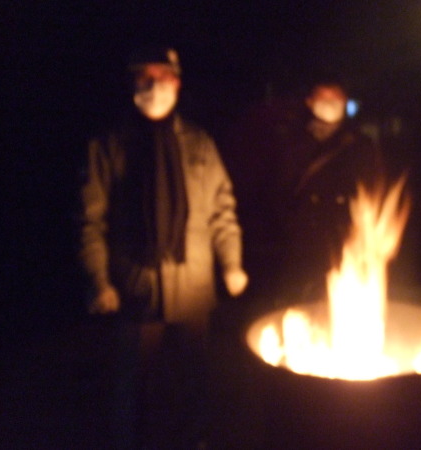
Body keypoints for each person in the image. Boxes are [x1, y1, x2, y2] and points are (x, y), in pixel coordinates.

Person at [79, 46, 248, 448]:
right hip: (135, 283)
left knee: (193, 377)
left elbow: (221, 210)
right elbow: (90, 220)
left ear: (178, 83)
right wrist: (99, 280)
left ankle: (194, 441)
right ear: (132, 85)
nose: (154, 87)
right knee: (134, 380)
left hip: (192, 282)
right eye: (145, 78)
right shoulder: (108, 145)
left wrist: (232, 264)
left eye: (163, 78)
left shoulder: (199, 143)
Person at [268, 80, 382, 303]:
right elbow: (278, 188)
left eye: (336, 99)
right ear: (310, 103)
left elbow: (373, 189)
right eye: (323, 98)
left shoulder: (361, 144)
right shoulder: (292, 141)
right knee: (297, 300)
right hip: (301, 238)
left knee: (343, 299)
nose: (330, 104)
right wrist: (289, 222)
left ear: (345, 102)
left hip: (345, 236)